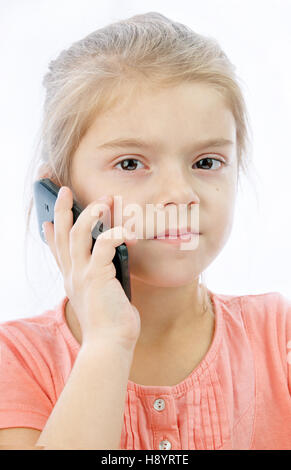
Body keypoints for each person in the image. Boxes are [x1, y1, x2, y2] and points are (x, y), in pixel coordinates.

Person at [0, 11, 290, 451]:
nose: (179, 194)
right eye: (131, 164)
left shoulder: (278, 338)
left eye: (206, 162)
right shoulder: (16, 360)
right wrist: (107, 344)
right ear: (60, 197)